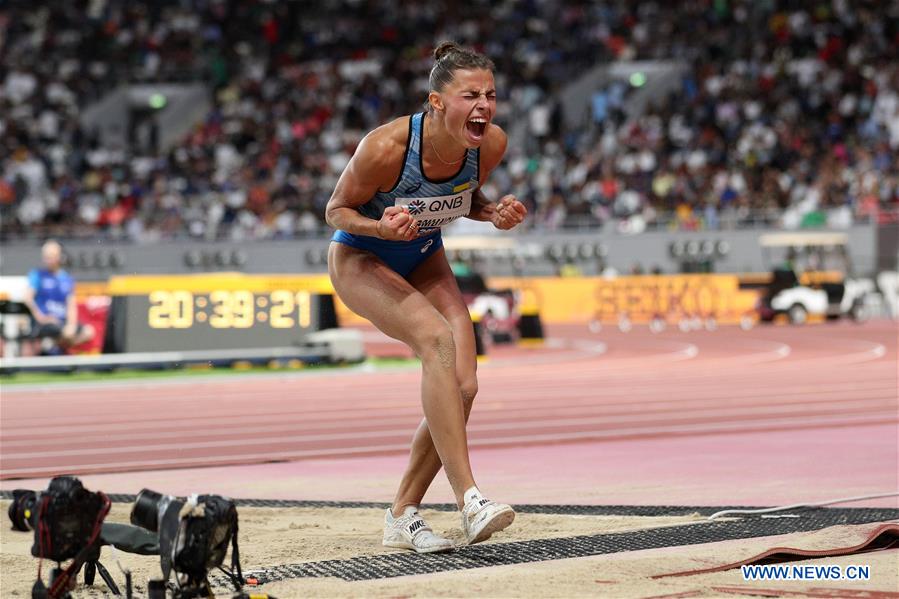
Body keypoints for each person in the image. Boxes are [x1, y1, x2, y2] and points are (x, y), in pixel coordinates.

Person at [325, 42, 528, 553]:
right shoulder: (386, 147)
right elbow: (335, 210)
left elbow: (463, 199)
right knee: (436, 339)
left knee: (463, 386)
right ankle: (471, 501)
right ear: (436, 102)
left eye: (491, 95)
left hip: (423, 253)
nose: (483, 105)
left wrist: (490, 214)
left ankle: (402, 514)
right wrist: (379, 227)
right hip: (361, 259)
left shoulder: (491, 144)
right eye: (470, 95)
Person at [23, 240, 95, 355]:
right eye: (46, 257)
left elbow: (71, 305)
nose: (48, 260)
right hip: (45, 323)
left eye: (51, 256)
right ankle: (55, 349)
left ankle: (52, 347)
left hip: (62, 322)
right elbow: (28, 298)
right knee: (63, 332)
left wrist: (71, 324)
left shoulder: (67, 278)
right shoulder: (37, 275)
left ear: (59, 257)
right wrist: (41, 317)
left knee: (88, 332)